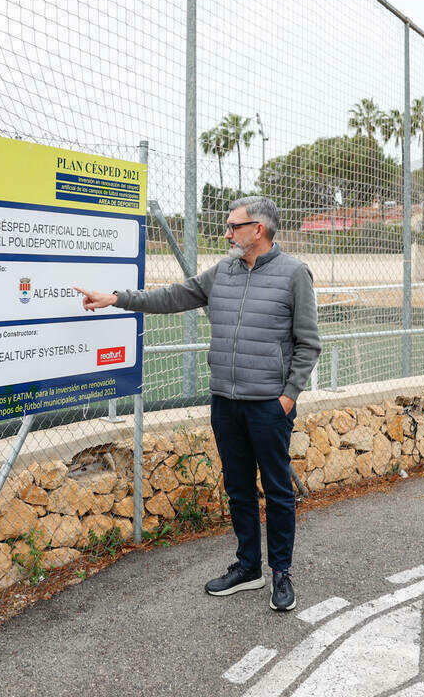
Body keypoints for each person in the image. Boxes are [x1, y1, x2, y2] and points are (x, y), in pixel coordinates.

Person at [76, 196, 320, 612]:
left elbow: (308, 343)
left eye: (233, 226)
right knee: (238, 488)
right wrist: (117, 298)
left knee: (277, 491)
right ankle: (248, 568)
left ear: (257, 230)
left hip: (268, 406)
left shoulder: (294, 274)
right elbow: (174, 296)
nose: (226, 233)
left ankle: (281, 573)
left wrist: (286, 397)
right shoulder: (222, 271)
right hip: (225, 401)